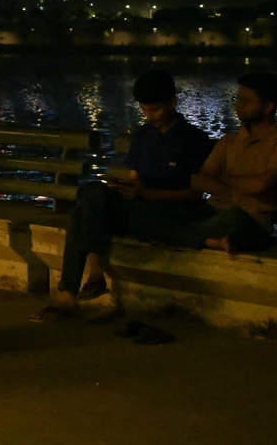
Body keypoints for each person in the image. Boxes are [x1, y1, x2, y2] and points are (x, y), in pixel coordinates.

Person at [32, 69, 214, 321]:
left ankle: (79, 287)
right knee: (92, 194)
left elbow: (195, 196)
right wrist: (125, 187)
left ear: (172, 102)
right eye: (145, 110)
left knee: (78, 214)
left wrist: (147, 193)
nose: (150, 116)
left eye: (156, 110)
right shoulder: (143, 136)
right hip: (136, 205)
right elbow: (134, 177)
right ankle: (83, 286)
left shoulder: (195, 140)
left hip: (166, 214)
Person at [186, 73, 277, 254]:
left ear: (268, 107)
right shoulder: (229, 141)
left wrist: (221, 182)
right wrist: (241, 187)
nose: (238, 105)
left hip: (251, 218)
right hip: (213, 210)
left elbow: (262, 184)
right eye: (238, 99)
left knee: (234, 217)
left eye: (246, 101)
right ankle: (191, 236)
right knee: (145, 212)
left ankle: (179, 235)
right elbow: (199, 181)